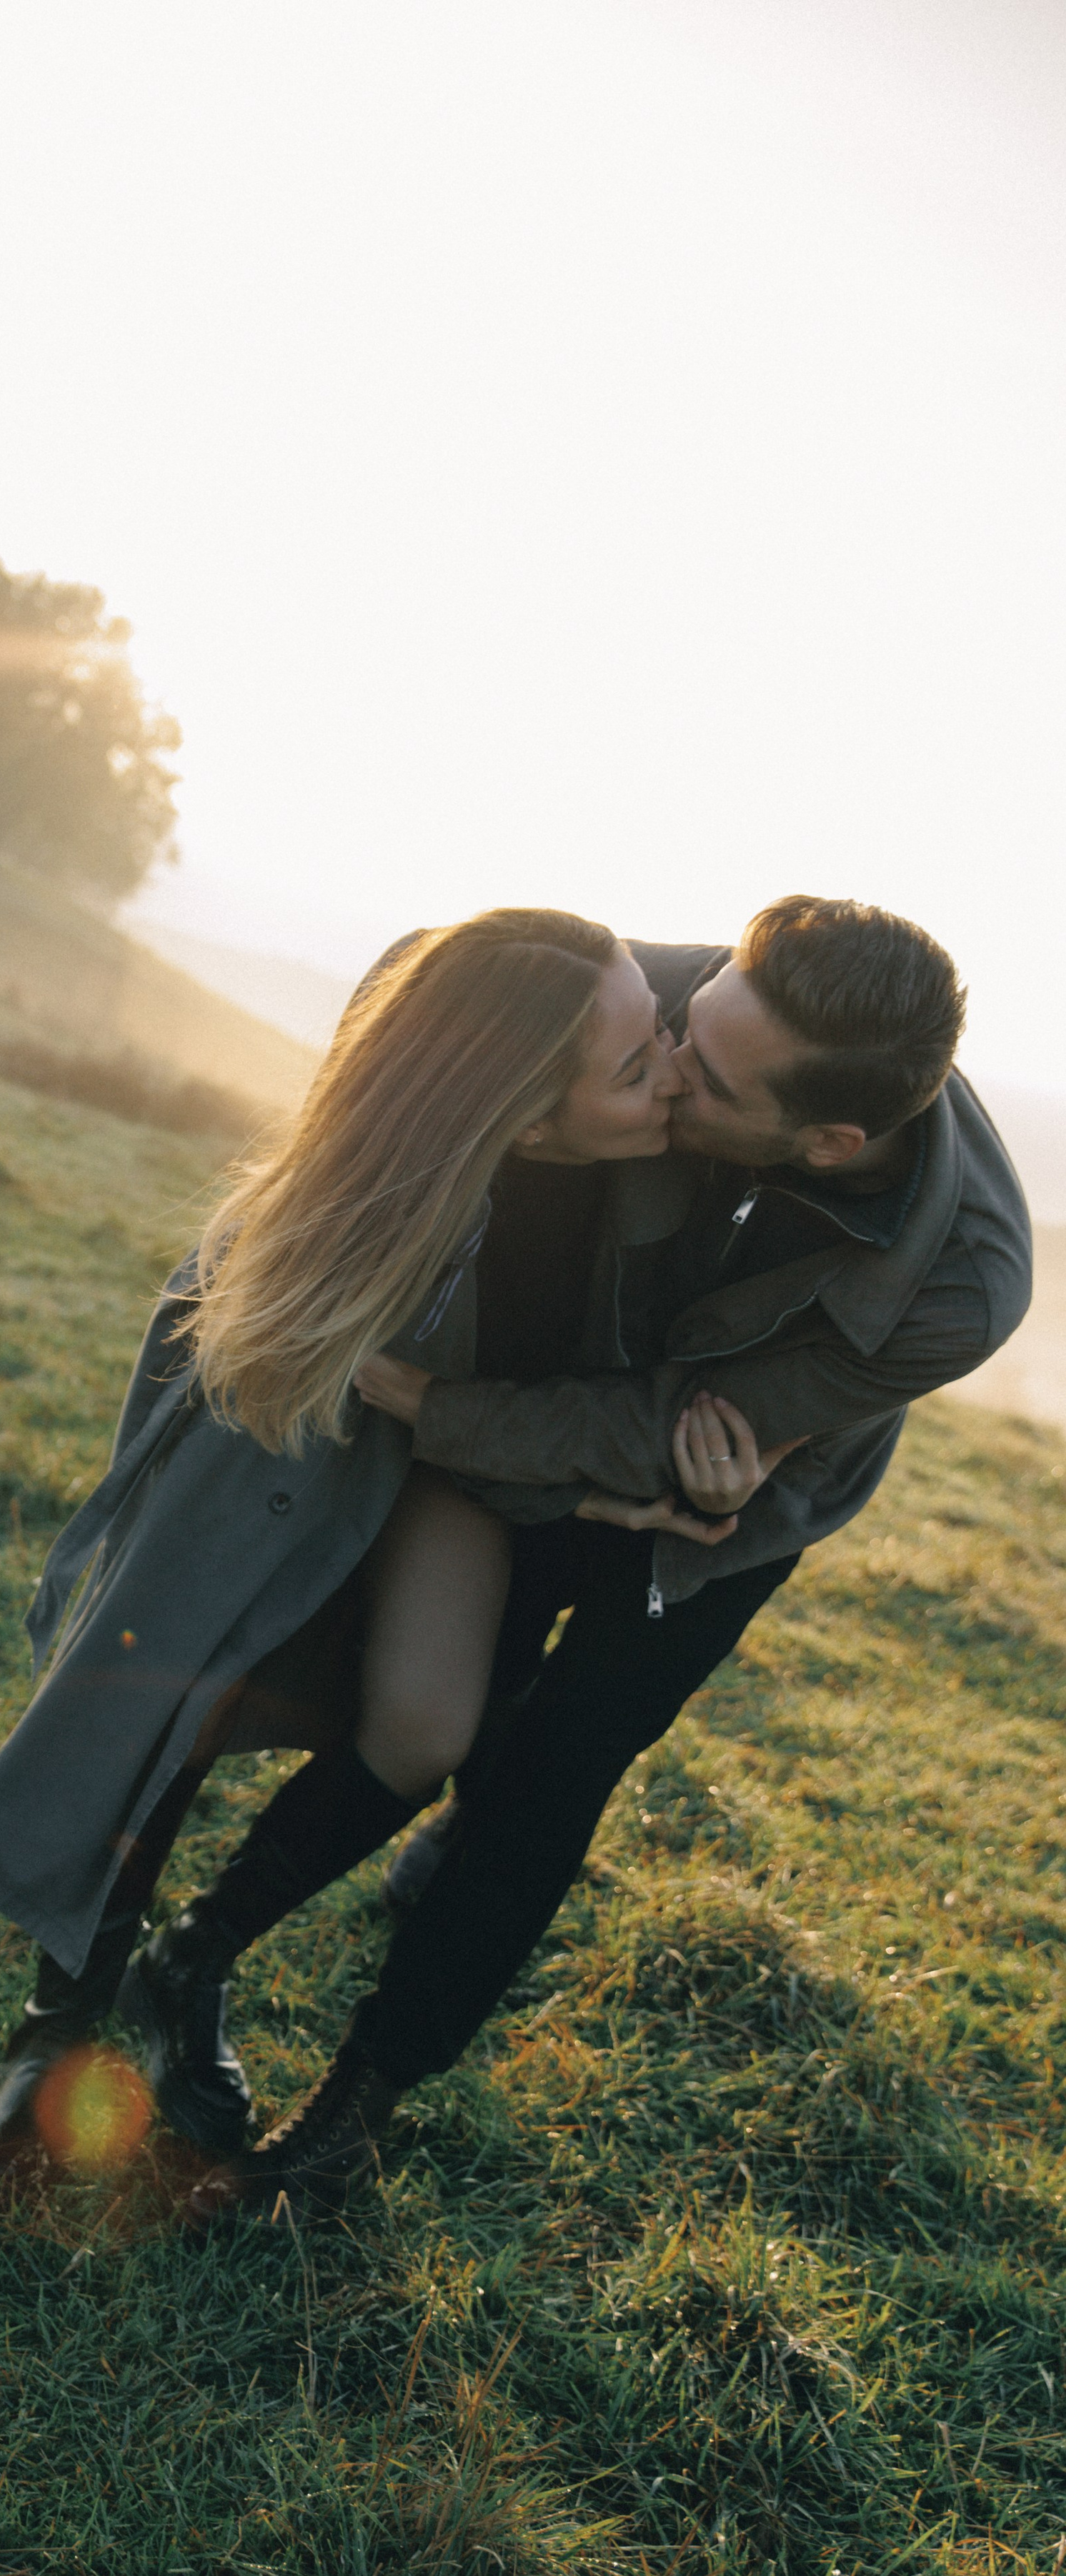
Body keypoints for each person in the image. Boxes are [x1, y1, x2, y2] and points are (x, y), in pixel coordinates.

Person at [176, 895, 1030, 2227]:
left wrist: (430, 1406)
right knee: (475, 1689)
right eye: (680, 1024)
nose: (668, 1061)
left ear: (830, 1142)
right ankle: (192, 1954)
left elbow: (670, 1435)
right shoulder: (699, 1002)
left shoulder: (964, 1284)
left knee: (562, 1762)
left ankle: (350, 2122)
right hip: (545, 1385)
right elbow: (429, 981)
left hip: (727, 1510)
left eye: (707, 1074)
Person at [0, 906, 690, 2194]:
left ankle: (196, 1955)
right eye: (637, 1066)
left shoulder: (672, 1115)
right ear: (525, 1125)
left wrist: (634, 1475)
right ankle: (54, 2036)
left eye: (662, 1032)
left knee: (426, 1726)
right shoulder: (391, 1183)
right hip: (328, 1384)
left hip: (472, 1448)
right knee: (172, 1673)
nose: (674, 1068)